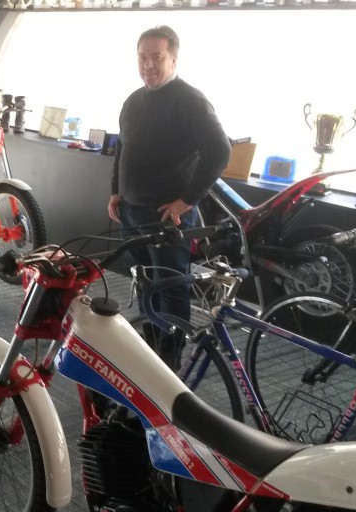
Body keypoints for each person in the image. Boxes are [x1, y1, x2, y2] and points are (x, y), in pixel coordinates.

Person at [108, 25, 231, 369]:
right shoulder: (133, 100)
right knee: (144, 281)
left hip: (166, 215)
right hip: (130, 210)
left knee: (171, 286)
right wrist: (116, 191)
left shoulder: (191, 100)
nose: (148, 64)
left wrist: (187, 200)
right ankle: (152, 342)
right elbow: (122, 149)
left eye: (156, 57)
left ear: (174, 58)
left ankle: (169, 360)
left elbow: (219, 151)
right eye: (142, 57)